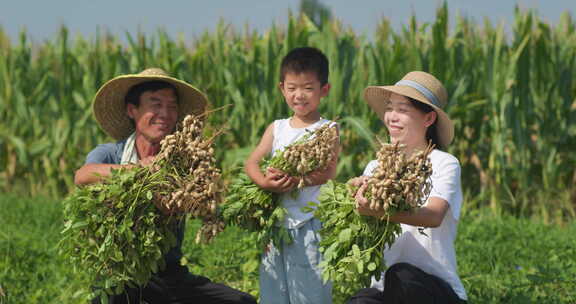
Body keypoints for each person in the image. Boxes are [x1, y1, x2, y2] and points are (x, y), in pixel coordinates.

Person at [75, 68, 257, 304]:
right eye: (156, 104)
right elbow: (83, 176)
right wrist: (139, 170)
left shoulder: (185, 163)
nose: (165, 113)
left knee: (241, 302)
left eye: (172, 106)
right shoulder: (111, 153)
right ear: (132, 110)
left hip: (168, 274)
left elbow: (199, 203)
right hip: (120, 272)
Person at [347, 71, 467, 304]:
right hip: (385, 288)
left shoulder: (443, 163)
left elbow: (433, 215)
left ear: (428, 119)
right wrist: (351, 194)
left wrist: (379, 211)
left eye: (402, 110)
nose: (391, 117)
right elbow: (360, 219)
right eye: (390, 108)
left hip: (432, 289)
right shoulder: (376, 166)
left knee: (401, 276)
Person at [244, 47, 339, 304]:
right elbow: (252, 162)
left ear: (324, 90)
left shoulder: (327, 129)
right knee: (275, 289)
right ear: (282, 89)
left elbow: (328, 172)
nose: (299, 95)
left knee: (311, 292)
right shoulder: (277, 128)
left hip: (309, 223)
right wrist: (263, 181)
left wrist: (297, 181)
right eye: (292, 87)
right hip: (276, 223)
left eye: (308, 88)